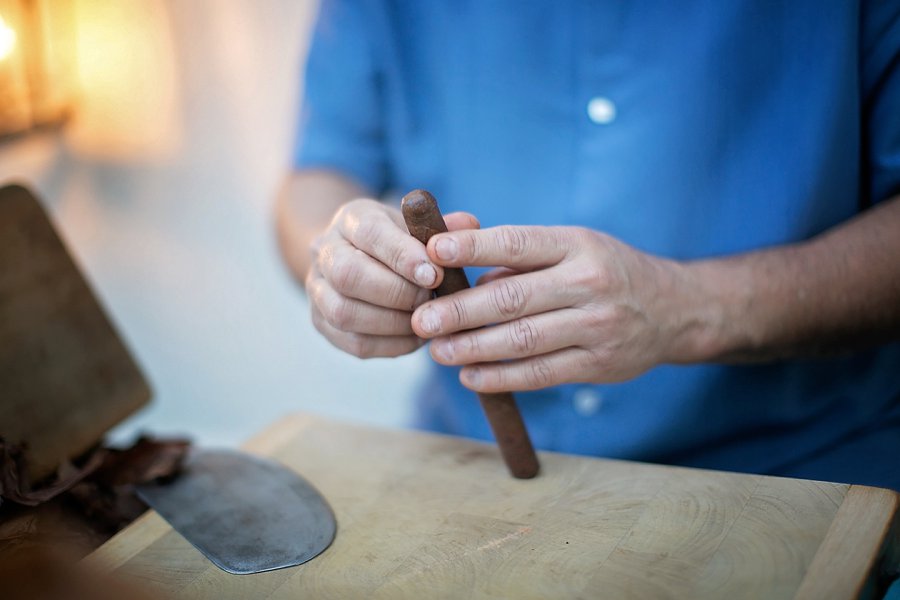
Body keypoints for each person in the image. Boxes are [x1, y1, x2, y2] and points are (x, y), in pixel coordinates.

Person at [276, 1, 900, 491]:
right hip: (464, 458)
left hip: (803, 469)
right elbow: (318, 174)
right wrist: (339, 258)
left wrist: (685, 306)